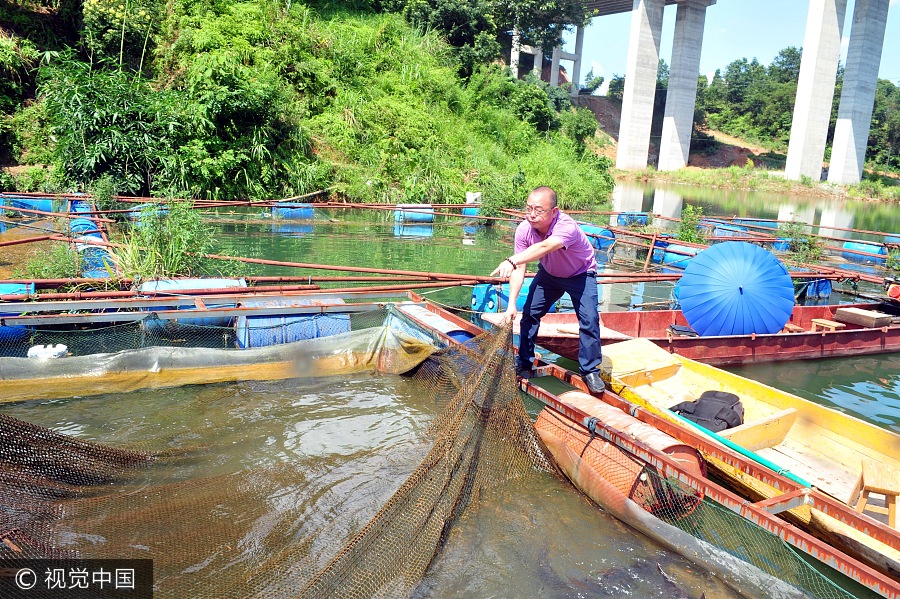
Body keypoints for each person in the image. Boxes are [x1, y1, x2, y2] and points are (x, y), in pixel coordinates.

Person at [490, 186, 606, 394]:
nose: (532, 215)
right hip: (549, 275)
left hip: (580, 274)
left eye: (539, 210)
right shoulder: (524, 229)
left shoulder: (566, 226)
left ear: (554, 211)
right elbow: (520, 268)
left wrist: (511, 259)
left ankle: (590, 370)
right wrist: (510, 305)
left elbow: (544, 248)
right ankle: (525, 361)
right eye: (528, 209)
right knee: (529, 314)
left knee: (589, 320)